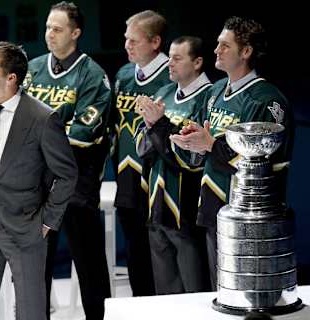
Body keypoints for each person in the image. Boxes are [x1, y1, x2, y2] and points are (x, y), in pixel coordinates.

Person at [170, 16, 294, 290]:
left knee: (248, 292)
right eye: (217, 45)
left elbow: (261, 161)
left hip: (250, 215)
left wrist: (211, 145)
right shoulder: (214, 92)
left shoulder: (266, 100)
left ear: (246, 51)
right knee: (221, 289)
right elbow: (200, 142)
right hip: (214, 204)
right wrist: (187, 139)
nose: (216, 51)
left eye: (225, 46)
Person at [0, 41, 77, 320]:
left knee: (31, 313)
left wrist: (47, 222)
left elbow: (67, 174)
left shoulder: (42, 117)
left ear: (11, 78)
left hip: (26, 226)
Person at [24, 2, 112, 318]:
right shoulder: (31, 69)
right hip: (37, 182)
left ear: (75, 33)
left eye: (58, 29)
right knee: (36, 260)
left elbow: (84, 131)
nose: (50, 34)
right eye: (48, 27)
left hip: (77, 181)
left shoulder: (93, 75)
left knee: (87, 262)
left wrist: (38, 137)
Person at [135, 36, 211, 294]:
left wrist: (159, 126)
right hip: (157, 206)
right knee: (165, 295)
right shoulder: (164, 92)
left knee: (195, 292)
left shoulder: (208, 98)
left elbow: (191, 157)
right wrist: (152, 128)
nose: (170, 63)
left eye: (178, 58)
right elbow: (142, 147)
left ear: (198, 62)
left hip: (188, 208)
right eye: (169, 57)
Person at [112, 9, 171, 296]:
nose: (127, 45)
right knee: (134, 251)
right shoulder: (123, 74)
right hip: (127, 176)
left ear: (155, 42)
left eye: (134, 41)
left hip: (160, 179)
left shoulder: (172, 77)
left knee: (163, 255)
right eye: (126, 39)